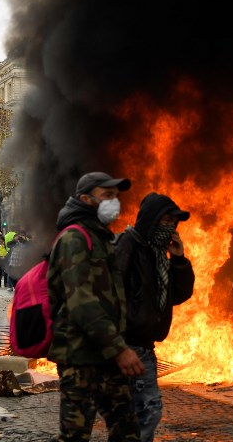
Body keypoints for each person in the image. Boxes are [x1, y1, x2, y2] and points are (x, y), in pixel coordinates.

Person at [47, 171, 142, 441]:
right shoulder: (74, 239)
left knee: (127, 432)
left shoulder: (100, 236)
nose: (114, 202)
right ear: (86, 199)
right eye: (107, 195)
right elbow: (81, 302)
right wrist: (119, 348)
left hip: (105, 356)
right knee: (75, 436)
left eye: (116, 196)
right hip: (80, 359)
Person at [116, 192, 195, 442]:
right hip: (128, 346)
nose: (171, 226)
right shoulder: (129, 244)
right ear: (151, 219)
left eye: (174, 221)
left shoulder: (158, 254)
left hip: (145, 348)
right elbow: (109, 296)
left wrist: (179, 260)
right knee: (146, 412)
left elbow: (179, 295)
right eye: (166, 220)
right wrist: (118, 347)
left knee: (133, 416)